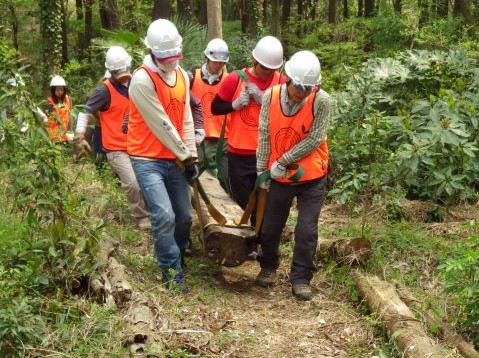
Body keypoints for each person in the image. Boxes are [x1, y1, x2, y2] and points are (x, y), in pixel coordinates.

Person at [127, 19, 198, 293]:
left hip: (176, 157)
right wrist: (185, 154)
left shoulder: (182, 76)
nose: (170, 62)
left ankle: (178, 254)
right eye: (166, 57)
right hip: (147, 158)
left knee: (184, 216)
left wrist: (191, 154)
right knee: (164, 215)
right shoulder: (141, 80)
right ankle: (171, 270)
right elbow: (162, 124)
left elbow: (186, 117)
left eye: (175, 57)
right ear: (153, 52)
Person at [255, 50, 330, 301]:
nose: (302, 93)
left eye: (308, 89)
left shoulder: (322, 101)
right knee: (271, 226)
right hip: (280, 177)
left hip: (312, 176)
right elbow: (265, 134)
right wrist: (262, 171)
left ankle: (300, 278)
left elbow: (315, 138)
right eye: (299, 87)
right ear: (288, 78)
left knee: (306, 229)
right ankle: (268, 265)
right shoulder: (270, 96)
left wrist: (284, 160)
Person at [211, 35, 286, 257]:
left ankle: (257, 244)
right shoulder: (235, 79)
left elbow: (284, 112)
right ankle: (243, 240)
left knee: (265, 200)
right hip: (238, 152)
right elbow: (216, 107)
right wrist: (234, 105)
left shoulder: (280, 82)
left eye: (271, 68)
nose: (266, 72)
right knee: (244, 200)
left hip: (266, 154)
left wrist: (263, 98)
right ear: (255, 60)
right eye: (263, 67)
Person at [73, 46, 151, 230]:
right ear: (111, 71)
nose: (123, 75)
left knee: (147, 180)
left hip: (139, 144)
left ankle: (152, 210)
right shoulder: (104, 90)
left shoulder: (136, 82)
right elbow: (85, 112)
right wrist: (79, 135)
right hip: (116, 148)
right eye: (119, 72)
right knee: (132, 182)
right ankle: (141, 216)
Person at [190, 38, 230, 188]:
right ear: (207, 58)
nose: (218, 65)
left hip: (224, 136)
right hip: (199, 136)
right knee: (193, 174)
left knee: (228, 178)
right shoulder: (193, 76)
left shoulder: (229, 80)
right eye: (215, 61)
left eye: (221, 62)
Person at [45, 75, 71, 142]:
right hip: (54, 132)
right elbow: (55, 117)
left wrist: (69, 130)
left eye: (62, 90)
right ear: (53, 90)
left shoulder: (67, 99)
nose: (60, 92)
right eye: (58, 90)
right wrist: (64, 130)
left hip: (65, 131)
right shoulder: (50, 101)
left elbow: (69, 114)